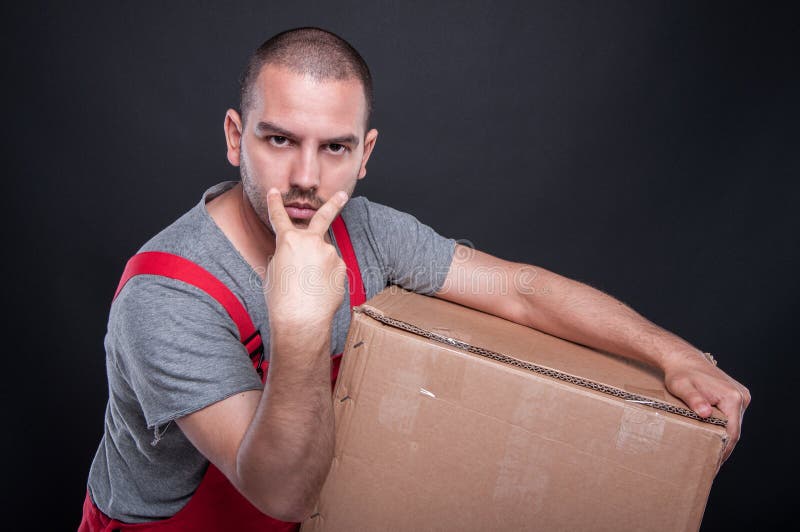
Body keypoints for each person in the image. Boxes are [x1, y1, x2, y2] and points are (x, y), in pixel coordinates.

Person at [79, 27, 750, 531]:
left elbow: (518, 292)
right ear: (235, 137)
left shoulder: (368, 232)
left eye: (335, 147)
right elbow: (277, 490)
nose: (307, 177)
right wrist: (302, 323)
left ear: (365, 153)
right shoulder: (168, 297)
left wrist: (675, 355)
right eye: (278, 140)